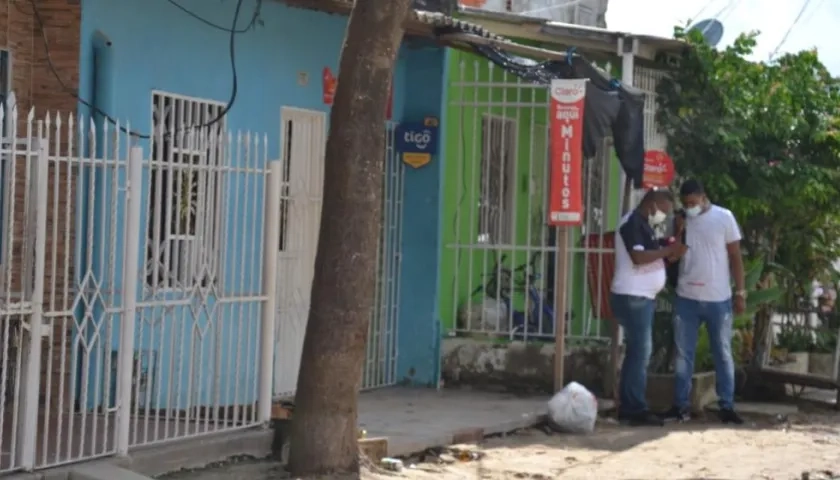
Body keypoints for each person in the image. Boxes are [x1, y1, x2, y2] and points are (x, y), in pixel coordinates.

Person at [661, 179, 746, 424]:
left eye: (693, 202)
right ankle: (680, 406)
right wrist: (678, 230)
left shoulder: (724, 217)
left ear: (703, 197)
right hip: (686, 297)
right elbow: (674, 256)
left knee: (722, 352)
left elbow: (735, 257)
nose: (690, 207)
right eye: (686, 203)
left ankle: (726, 406)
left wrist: (740, 293)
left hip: (718, 298)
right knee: (683, 355)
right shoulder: (682, 221)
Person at [611, 188, 686, 426]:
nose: (664, 216)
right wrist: (667, 251)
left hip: (641, 296)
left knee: (638, 352)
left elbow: (653, 251)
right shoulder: (632, 222)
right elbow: (638, 257)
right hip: (633, 296)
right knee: (640, 352)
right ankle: (633, 408)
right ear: (652, 205)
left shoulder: (644, 225)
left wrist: (673, 243)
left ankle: (631, 405)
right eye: (663, 211)